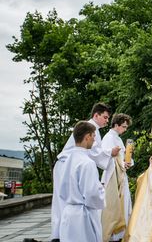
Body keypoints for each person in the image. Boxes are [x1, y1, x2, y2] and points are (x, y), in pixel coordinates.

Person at [51, 102, 120, 241]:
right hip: (68, 165)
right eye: (105, 117)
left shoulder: (90, 129)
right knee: (65, 203)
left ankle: (58, 235)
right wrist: (110, 153)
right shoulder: (90, 128)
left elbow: (95, 152)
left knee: (62, 204)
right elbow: (95, 153)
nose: (107, 121)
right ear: (96, 115)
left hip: (69, 164)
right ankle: (57, 235)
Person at [58, 121, 105, 242]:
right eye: (94, 136)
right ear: (87, 136)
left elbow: (62, 189)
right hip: (83, 218)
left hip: (68, 214)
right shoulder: (87, 163)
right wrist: (102, 190)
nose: (94, 140)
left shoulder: (67, 160)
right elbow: (92, 194)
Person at [101, 113, 133, 242]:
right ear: (116, 125)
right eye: (123, 126)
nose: (125, 129)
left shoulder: (118, 138)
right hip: (112, 175)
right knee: (112, 206)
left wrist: (128, 162)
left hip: (121, 174)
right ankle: (113, 235)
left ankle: (121, 235)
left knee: (124, 206)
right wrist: (118, 160)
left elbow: (123, 156)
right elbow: (104, 156)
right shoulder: (108, 138)